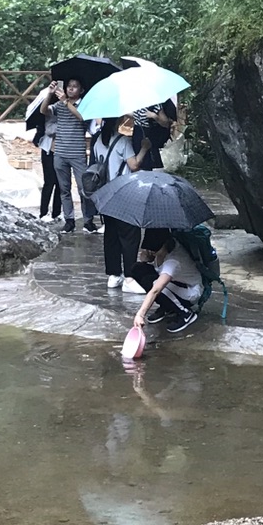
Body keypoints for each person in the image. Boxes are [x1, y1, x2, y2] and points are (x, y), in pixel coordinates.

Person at [98, 115, 152, 290]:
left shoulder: (99, 139)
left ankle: (114, 275)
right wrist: (144, 148)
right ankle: (129, 277)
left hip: (105, 194)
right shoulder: (122, 141)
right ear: (118, 121)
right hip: (123, 193)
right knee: (130, 235)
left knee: (111, 235)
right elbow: (134, 165)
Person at [38, 77, 99, 232]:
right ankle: (69, 220)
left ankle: (88, 220)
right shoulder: (59, 104)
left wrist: (66, 102)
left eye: (75, 86)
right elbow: (43, 111)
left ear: (81, 90)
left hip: (77, 153)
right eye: (69, 86)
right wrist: (49, 94)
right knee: (64, 189)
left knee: (83, 189)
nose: (71, 89)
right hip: (60, 152)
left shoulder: (84, 106)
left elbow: (82, 117)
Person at [129, 228, 203, 333]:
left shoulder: (173, 262)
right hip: (175, 284)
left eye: (155, 250)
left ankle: (186, 314)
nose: (152, 253)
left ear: (164, 245)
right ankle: (168, 306)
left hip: (190, 291)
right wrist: (146, 259)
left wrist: (140, 314)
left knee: (154, 283)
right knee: (137, 269)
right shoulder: (162, 250)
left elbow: (156, 290)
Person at [26, 89, 60, 221]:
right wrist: (50, 94)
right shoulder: (51, 109)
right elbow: (45, 114)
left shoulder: (69, 107)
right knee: (49, 181)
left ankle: (57, 213)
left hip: (63, 149)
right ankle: (43, 212)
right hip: (48, 148)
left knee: (61, 183)